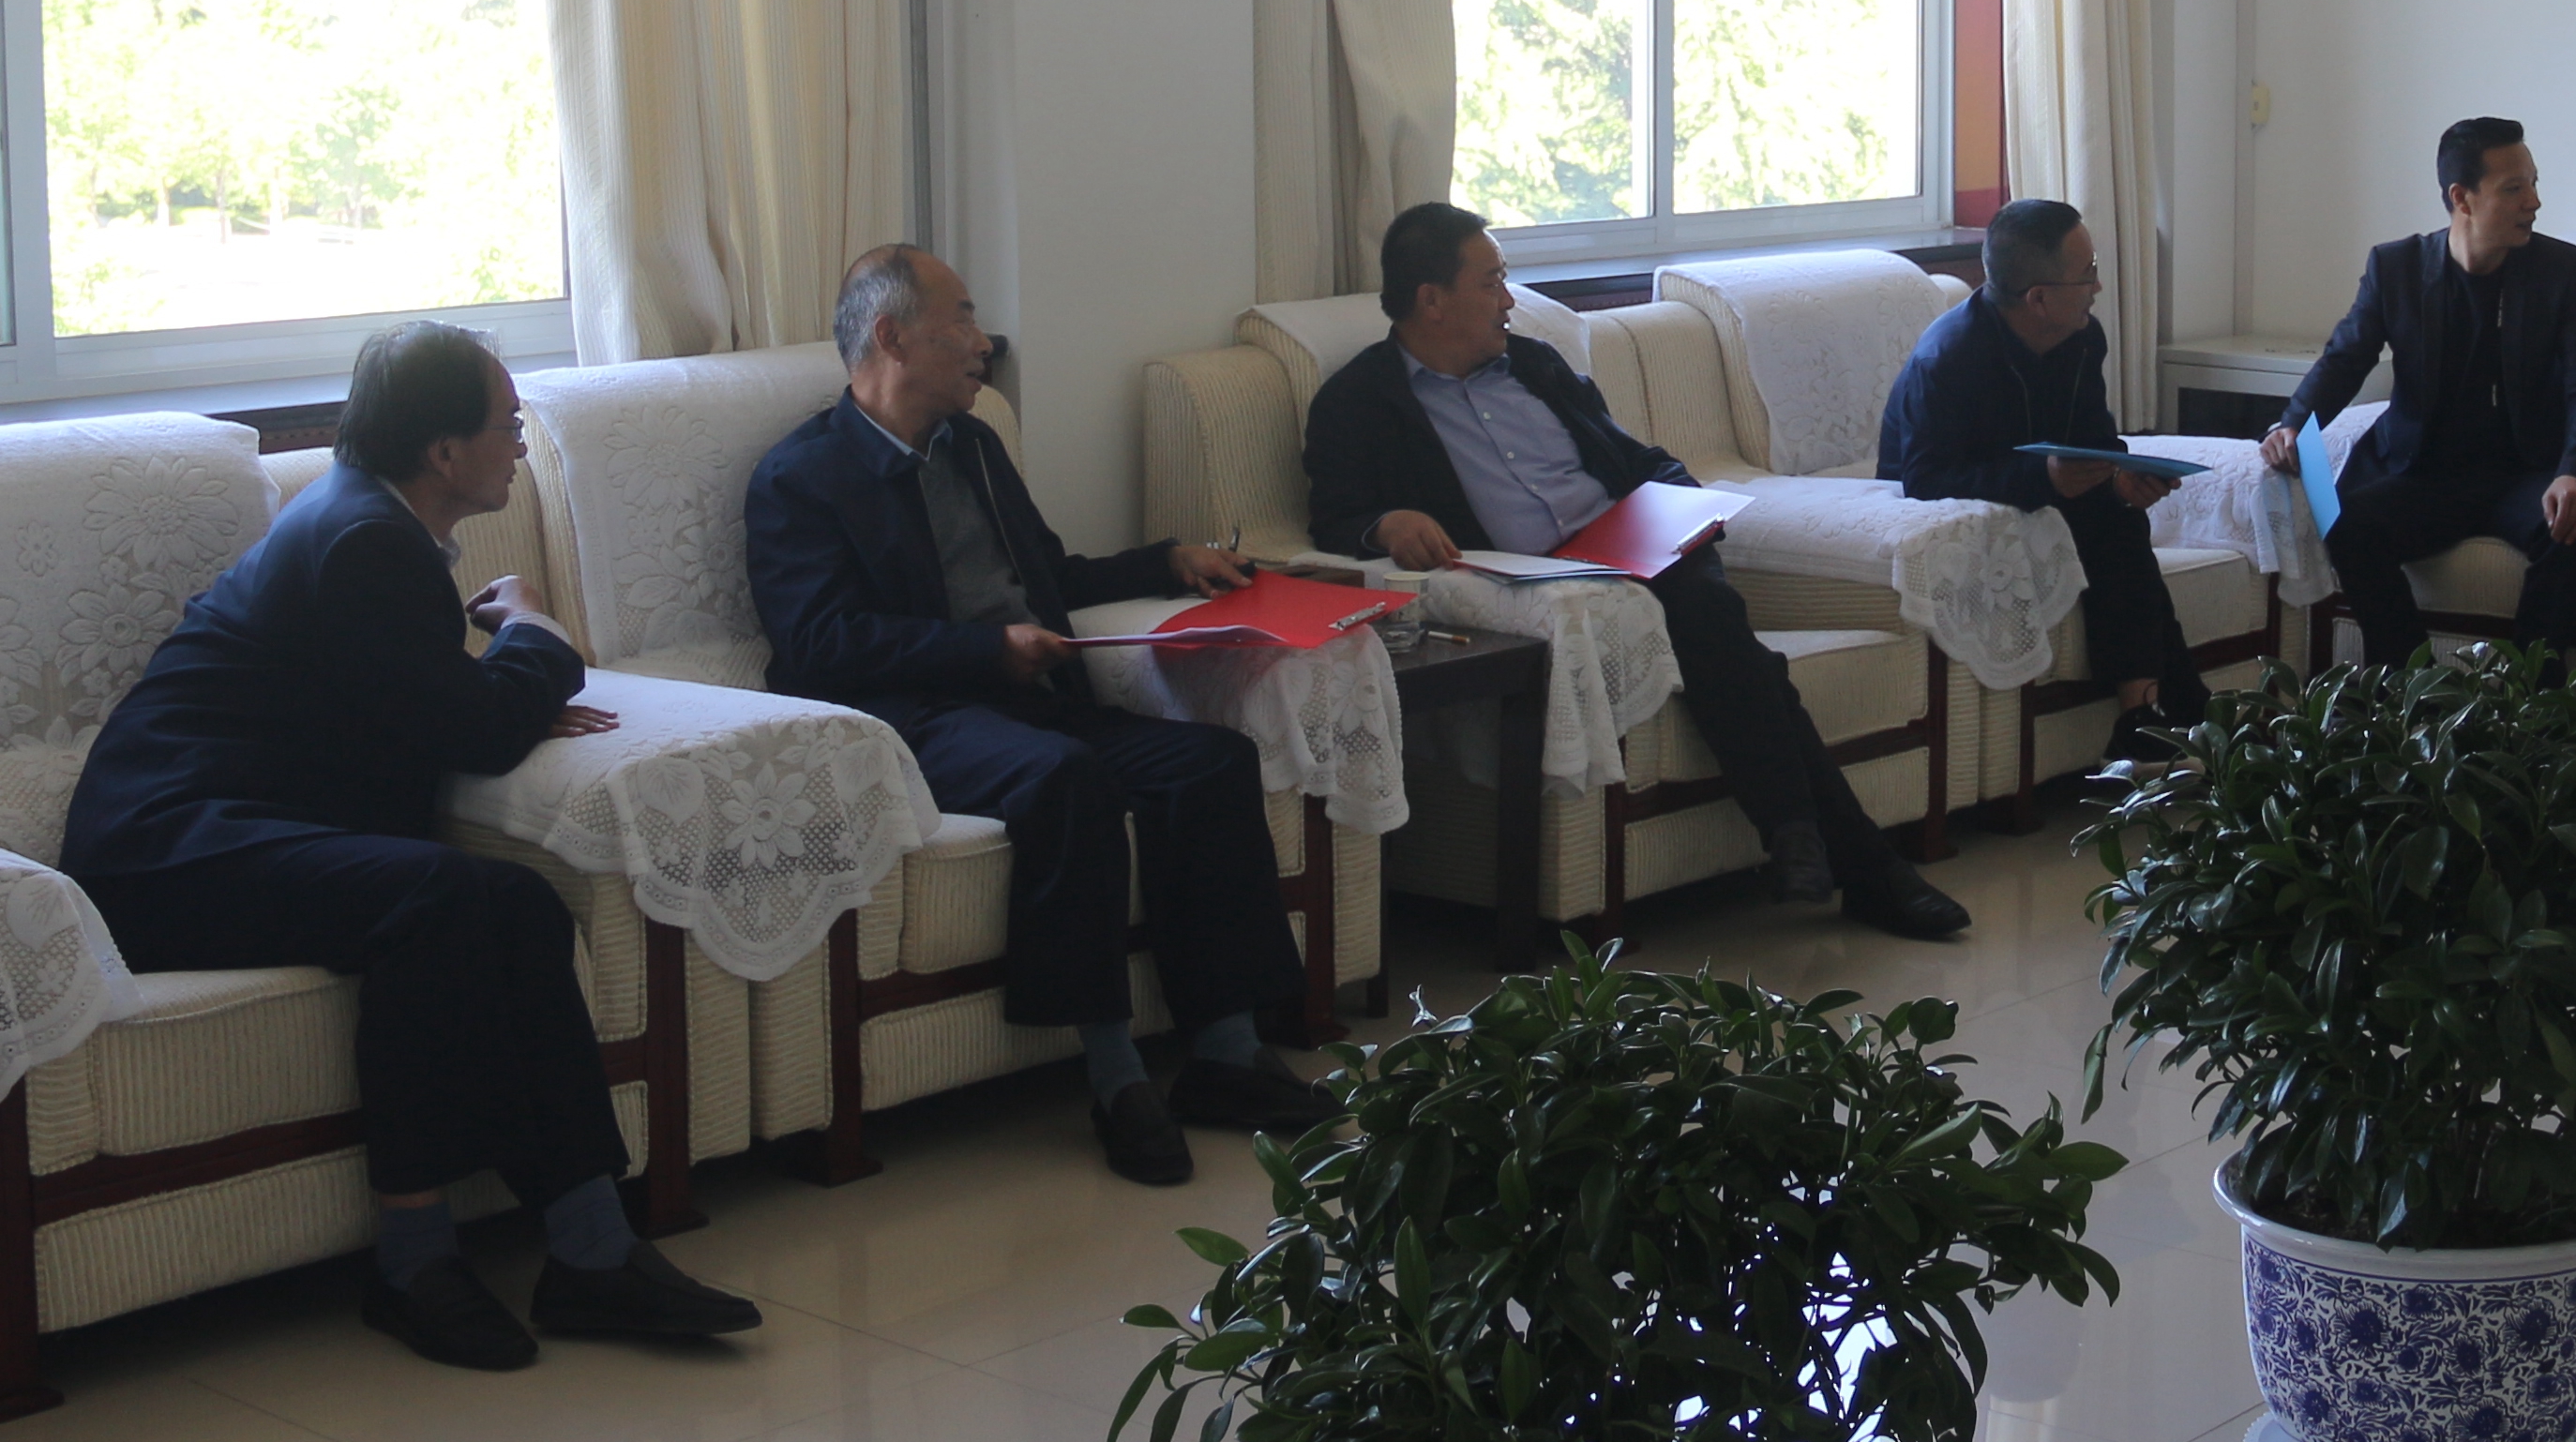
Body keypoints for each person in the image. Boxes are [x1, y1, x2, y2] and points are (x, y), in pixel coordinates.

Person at [62, 323, 763, 1372]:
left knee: (519, 904)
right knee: (436, 900)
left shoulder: (367, 523)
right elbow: (477, 730)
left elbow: (439, 714)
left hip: (241, 828)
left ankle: (591, 1247)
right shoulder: (365, 540)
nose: (518, 444)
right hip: (164, 851)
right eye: (506, 426)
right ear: (442, 451)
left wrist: (492, 693)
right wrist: (531, 631)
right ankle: (414, 1262)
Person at [746, 246, 1341, 1184]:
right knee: (1068, 778)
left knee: (1210, 763)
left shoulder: (974, 447)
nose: (983, 342)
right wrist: (986, 650)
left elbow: (1047, 577)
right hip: (911, 719)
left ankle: (1227, 1053)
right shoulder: (800, 476)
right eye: (962, 319)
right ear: (891, 335)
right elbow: (820, 641)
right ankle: (1115, 1077)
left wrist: (1164, 562)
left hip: (1025, 696)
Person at [1301, 203, 1971, 940]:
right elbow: (1333, 517)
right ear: (1431, 299)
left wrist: (1686, 506)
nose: (1508, 300)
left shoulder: (1534, 365)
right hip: (1549, 582)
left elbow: (1635, 459)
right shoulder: (1358, 402)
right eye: (1491, 282)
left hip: (1636, 547)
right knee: (1739, 655)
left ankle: (1808, 843)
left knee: (1710, 616)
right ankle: (1846, 858)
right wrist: (1383, 524)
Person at [2257, 116, 2576, 667]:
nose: (2534, 202)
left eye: (2534, 184)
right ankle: (2414, 691)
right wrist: (2292, 425)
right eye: (2514, 188)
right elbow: (2346, 359)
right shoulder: (2396, 267)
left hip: (2521, 472)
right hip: (2422, 473)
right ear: (2461, 198)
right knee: (2346, 523)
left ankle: (2527, 699)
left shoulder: (2560, 269)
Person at [1878, 196, 2207, 758]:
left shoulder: (2083, 338)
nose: (2098, 287)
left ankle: (2145, 718)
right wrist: (2044, 479)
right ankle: (2180, 712)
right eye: (2088, 273)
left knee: (2118, 519)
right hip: (1960, 508)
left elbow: (2095, 440)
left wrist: (2120, 479)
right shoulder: (1949, 357)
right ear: (2039, 298)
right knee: (2109, 528)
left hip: (2048, 494)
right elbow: (1925, 478)